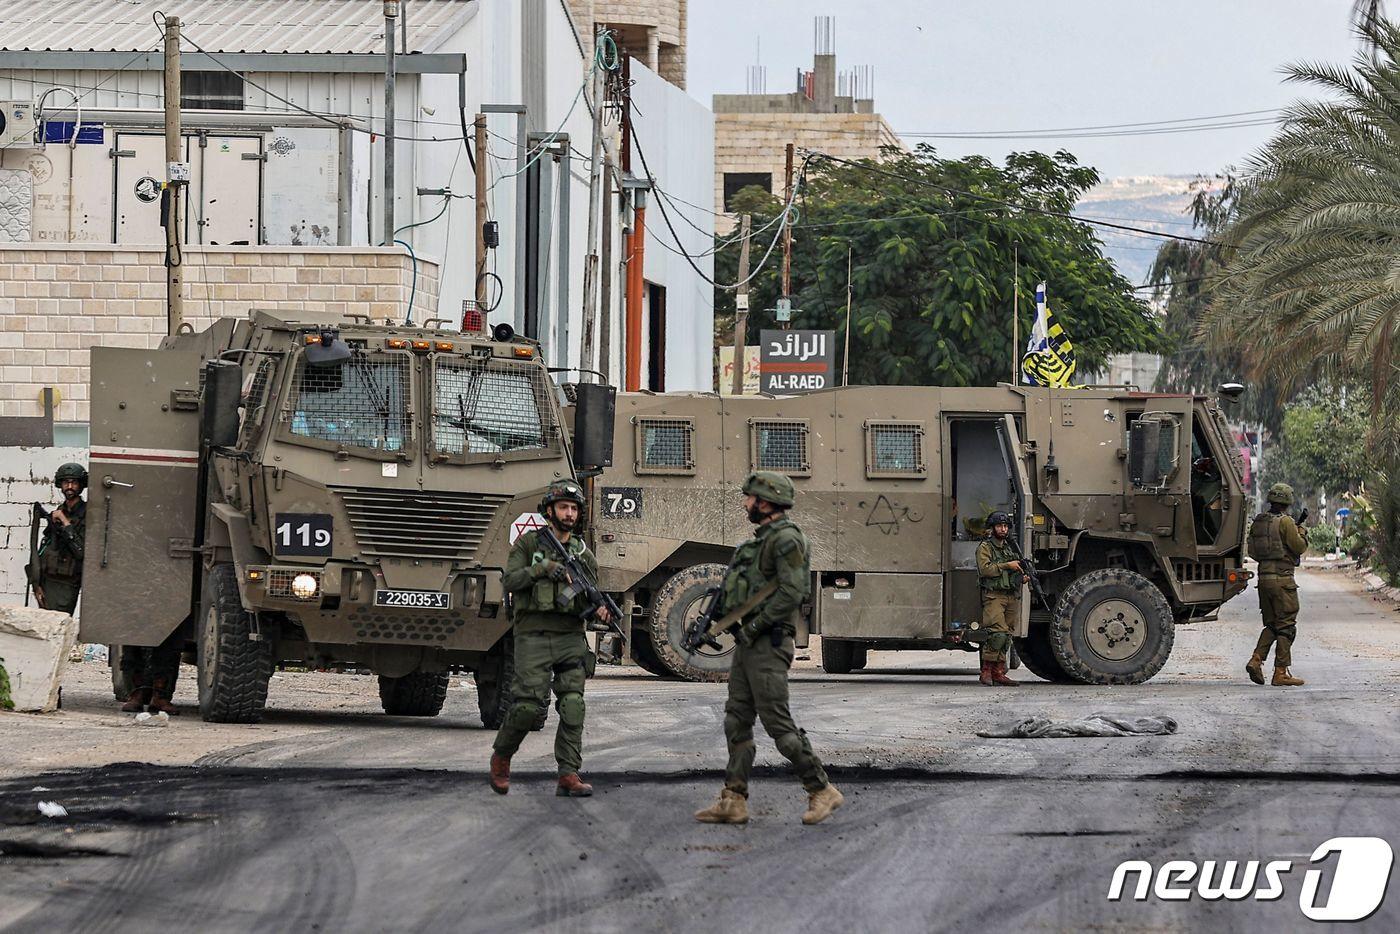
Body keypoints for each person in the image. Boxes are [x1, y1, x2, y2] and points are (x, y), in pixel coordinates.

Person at [694, 471, 843, 826]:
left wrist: (757, 626)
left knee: (778, 723)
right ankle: (733, 799)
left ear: (765, 501)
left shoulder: (787, 540)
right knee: (736, 720)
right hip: (749, 642)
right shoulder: (755, 543)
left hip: (769, 642)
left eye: (749, 498)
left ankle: (821, 789)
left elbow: (793, 591)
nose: (745, 503)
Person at [489, 479, 613, 797]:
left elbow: (589, 597)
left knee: (573, 705)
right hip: (533, 634)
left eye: (574, 508)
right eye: (563, 507)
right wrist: (542, 569)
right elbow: (511, 580)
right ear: (549, 510)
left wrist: (599, 611)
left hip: (570, 635)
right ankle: (501, 758)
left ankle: (568, 774)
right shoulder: (529, 545)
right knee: (527, 707)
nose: (569, 514)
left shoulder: (583, 554)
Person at [1246, 483, 1308, 687]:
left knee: (1272, 624)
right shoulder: (1286, 522)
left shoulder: (1259, 521)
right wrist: (1302, 533)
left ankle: (1256, 659)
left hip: (1264, 580)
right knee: (1287, 626)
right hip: (1283, 581)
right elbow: (1298, 547)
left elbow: (1253, 551)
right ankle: (1280, 672)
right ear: (1288, 501)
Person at [975, 511, 1028, 687]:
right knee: (997, 633)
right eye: (999, 526)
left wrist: (1022, 577)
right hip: (994, 595)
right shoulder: (985, 547)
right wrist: (1007, 565)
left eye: (1005, 526)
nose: (1003, 529)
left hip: (1010, 595)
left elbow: (1013, 573)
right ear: (993, 528)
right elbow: (985, 570)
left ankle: (998, 672)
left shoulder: (1009, 548)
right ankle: (986, 671)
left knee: (1007, 635)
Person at [29, 463, 87, 616]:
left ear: (80, 486)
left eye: (74, 482)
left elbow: (81, 552)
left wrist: (65, 523)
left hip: (66, 585)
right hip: (47, 582)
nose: (69, 486)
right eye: (66, 482)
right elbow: (44, 550)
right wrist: (37, 584)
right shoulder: (58, 511)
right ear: (60, 485)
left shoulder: (88, 513)